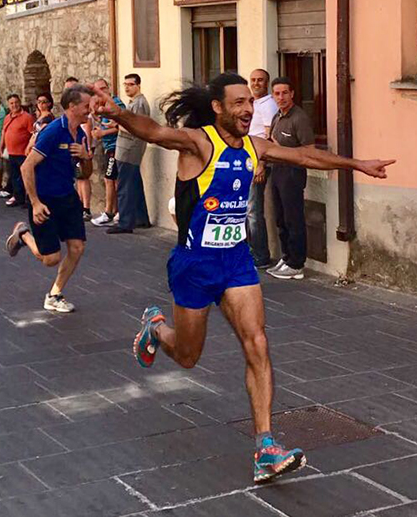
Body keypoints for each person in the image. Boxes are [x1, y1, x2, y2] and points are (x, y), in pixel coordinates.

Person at [91, 73, 394, 484]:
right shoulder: (199, 142)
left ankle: (266, 447)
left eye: (250, 102)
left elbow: (306, 156)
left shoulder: (256, 147)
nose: (247, 109)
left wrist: (356, 164)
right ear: (217, 107)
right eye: (237, 103)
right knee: (187, 357)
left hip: (236, 263)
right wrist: (119, 114)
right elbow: (157, 132)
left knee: (258, 343)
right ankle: (156, 327)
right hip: (195, 266)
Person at [5, 85, 93, 313]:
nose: (90, 110)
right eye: (86, 106)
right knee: (51, 258)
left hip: (68, 197)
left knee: (77, 248)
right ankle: (24, 235)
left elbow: (86, 173)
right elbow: (27, 166)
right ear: (72, 107)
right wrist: (35, 203)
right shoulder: (52, 132)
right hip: (45, 200)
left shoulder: (80, 134)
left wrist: (86, 157)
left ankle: (54, 294)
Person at [265, 77, 315, 280]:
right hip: (277, 170)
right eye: (277, 93)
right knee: (280, 218)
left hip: (293, 172)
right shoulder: (277, 116)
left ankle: (296, 263)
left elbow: (309, 150)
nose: (281, 97)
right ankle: (286, 258)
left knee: (293, 218)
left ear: (292, 94)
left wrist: (281, 149)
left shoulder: (299, 118)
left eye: (285, 93)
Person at [107, 73, 151, 234]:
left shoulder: (139, 104)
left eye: (130, 84)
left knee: (125, 186)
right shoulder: (133, 103)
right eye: (125, 84)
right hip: (126, 148)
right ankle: (141, 218)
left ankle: (125, 222)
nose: (126, 87)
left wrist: (118, 123)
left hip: (129, 149)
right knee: (134, 183)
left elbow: (136, 127)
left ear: (138, 85)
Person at [247, 69, 279, 269]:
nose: (256, 83)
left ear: (266, 83)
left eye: (260, 80)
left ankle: (260, 256)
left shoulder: (269, 105)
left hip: (258, 164)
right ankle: (250, 252)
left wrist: (261, 164)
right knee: (245, 211)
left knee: (253, 211)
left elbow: (269, 136)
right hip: (246, 162)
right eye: (253, 80)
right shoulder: (253, 103)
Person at [90, 78, 125, 227]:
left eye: (104, 88)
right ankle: (116, 210)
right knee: (111, 179)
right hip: (108, 146)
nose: (102, 92)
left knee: (110, 179)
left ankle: (109, 212)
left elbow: (122, 126)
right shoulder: (104, 105)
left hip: (115, 146)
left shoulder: (115, 104)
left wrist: (102, 134)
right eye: (99, 90)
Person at [0, 94, 35, 208]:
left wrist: (29, 148)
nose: (14, 105)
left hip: (23, 152)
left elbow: (33, 134)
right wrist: (1, 148)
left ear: (20, 102)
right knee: (14, 176)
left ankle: (28, 199)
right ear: (8, 105)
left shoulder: (27, 117)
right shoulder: (7, 117)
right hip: (11, 152)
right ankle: (18, 198)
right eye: (12, 103)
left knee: (25, 176)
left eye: (16, 102)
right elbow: (4, 133)